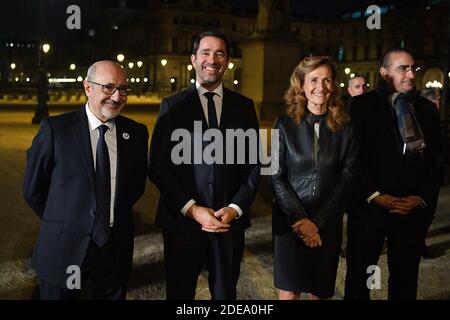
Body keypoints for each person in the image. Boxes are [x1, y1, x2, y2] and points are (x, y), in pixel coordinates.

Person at [23, 60, 149, 300]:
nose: (117, 96)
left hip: (113, 251)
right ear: (88, 87)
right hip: (64, 249)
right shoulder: (55, 130)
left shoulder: (136, 133)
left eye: (123, 89)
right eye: (109, 87)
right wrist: (65, 221)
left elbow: (134, 187)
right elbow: (33, 189)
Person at [148, 30, 260, 300]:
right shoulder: (172, 106)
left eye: (220, 53)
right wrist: (193, 209)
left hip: (227, 223)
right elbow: (158, 166)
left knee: (225, 295)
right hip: (182, 223)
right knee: (180, 295)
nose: (213, 59)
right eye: (206, 53)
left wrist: (234, 209)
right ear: (194, 60)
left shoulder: (244, 107)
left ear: (227, 60)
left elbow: (255, 166)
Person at [345, 49, 442, 300]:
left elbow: (436, 162)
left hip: (411, 212)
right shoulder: (360, 106)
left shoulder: (427, 109)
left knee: (405, 282)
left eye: (413, 68)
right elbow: (351, 160)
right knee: (359, 282)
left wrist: (420, 198)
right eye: (402, 68)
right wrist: (375, 195)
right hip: (369, 211)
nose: (411, 74)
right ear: (383, 72)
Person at [271, 56, 359, 300]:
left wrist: (316, 223)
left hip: (327, 224)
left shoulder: (347, 128)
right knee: (289, 292)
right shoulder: (283, 124)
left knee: (319, 292)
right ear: (301, 85)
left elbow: (347, 178)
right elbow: (276, 177)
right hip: (290, 224)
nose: (321, 87)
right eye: (314, 80)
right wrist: (301, 221)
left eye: (327, 80)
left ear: (334, 85)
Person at [419, 88, 446, 258]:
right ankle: (418, 246)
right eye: (438, 100)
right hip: (425, 175)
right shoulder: (424, 120)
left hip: (432, 174)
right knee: (424, 213)